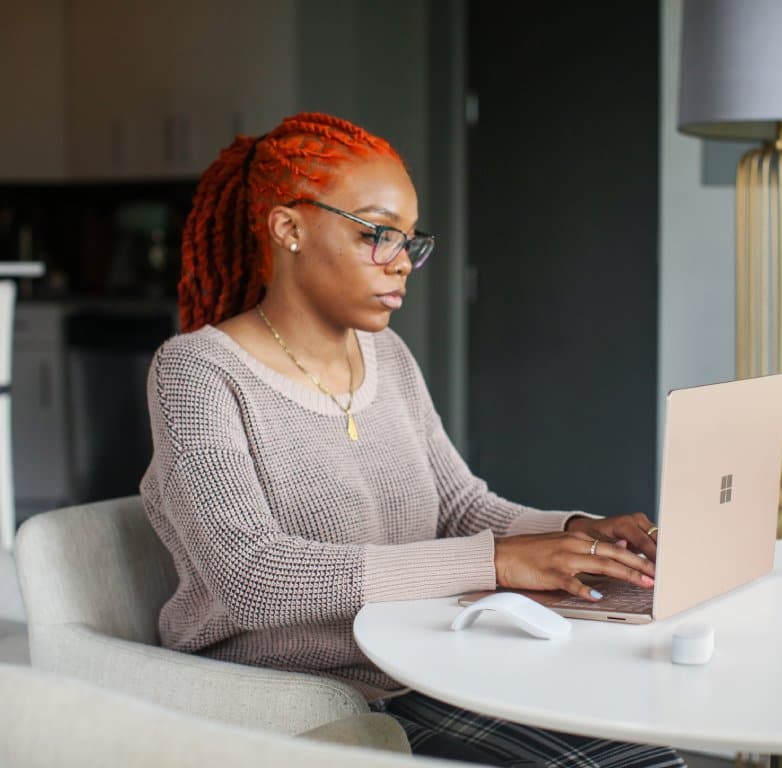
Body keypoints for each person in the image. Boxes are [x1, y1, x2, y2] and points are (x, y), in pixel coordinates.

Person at [141, 112, 683, 767]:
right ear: (289, 228)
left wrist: (582, 535)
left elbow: (462, 506)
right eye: (378, 235)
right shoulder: (197, 371)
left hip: (421, 667)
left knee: (647, 757)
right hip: (301, 702)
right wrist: (496, 563)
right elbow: (252, 576)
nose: (403, 265)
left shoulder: (387, 356)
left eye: (408, 241)